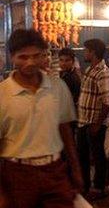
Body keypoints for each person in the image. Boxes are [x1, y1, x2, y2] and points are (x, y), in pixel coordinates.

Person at [0, 29, 83, 207]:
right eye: (23, 57)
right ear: (12, 57)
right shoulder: (2, 94)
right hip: (17, 174)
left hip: (55, 171)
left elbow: (65, 130)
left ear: (44, 55)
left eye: (36, 56)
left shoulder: (58, 87)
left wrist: (76, 170)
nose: (30, 62)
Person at [77, 39, 109, 200]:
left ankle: (98, 187)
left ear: (93, 52)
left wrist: (98, 123)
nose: (84, 53)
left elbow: (107, 101)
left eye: (86, 50)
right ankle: (85, 186)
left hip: (94, 122)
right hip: (84, 120)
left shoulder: (103, 72)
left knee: (97, 155)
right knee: (83, 155)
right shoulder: (90, 70)